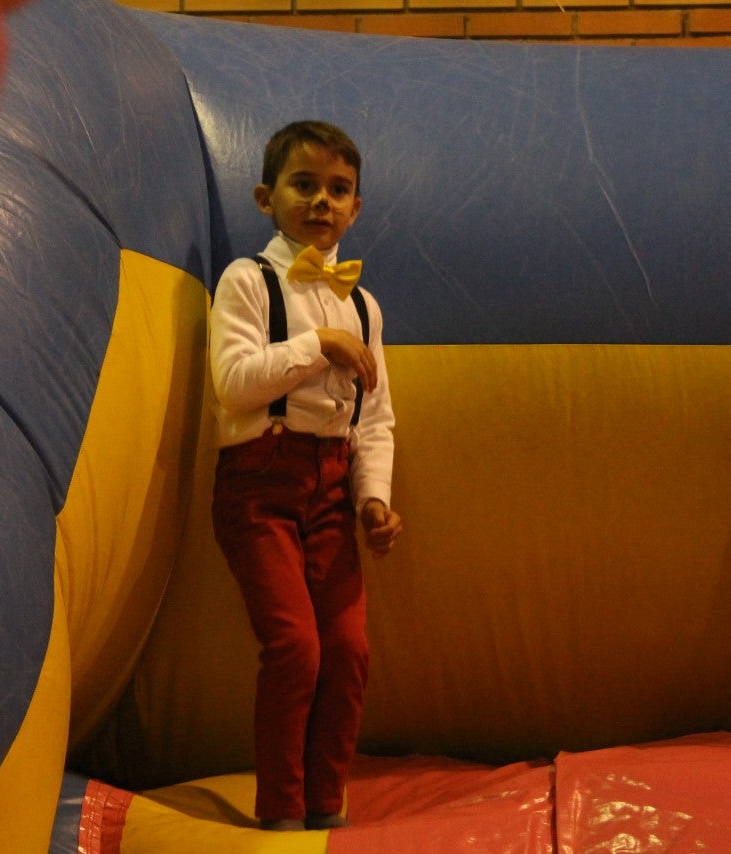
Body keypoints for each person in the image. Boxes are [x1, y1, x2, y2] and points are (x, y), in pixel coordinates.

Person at [209, 120, 403, 830]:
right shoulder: (248, 281)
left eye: (338, 189)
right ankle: (282, 813)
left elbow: (374, 417)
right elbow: (233, 384)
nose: (322, 201)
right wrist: (318, 344)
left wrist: (372, 499)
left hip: (330, 487)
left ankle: (326, 807)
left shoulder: (364, 306)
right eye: (304, 184)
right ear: (267, 198)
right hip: (259, 485)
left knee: (347, 651)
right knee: (295, 647)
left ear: (356, 209)